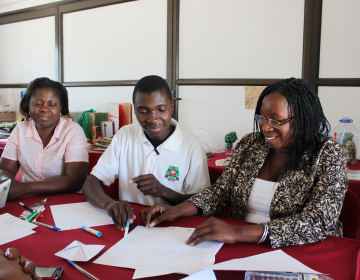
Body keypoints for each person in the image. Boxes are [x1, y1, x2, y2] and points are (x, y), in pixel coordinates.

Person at [140, 78, 348, 249]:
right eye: (262, 117)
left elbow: (317, 222)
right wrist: (178, 210)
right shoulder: (251, 144)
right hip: (241, 246)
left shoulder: (327, 154)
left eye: (277, 120)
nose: (266, 128)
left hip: (301, 250)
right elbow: (221, 192)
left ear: (302, 120)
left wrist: (238, 232)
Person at [83, 75, 210, 231]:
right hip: (131, 226)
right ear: (135, 109)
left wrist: (164, 191)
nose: (152, 119)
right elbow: (91, 183)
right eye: (143, 111)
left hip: (173, 228)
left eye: (161, 109)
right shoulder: (124, 135)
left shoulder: (191, 145)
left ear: (171, 106)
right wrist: (109, 204)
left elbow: (203, 201)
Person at [0, 77, 89, 201]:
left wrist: (26, 188)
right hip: (28, 199)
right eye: (37, 103)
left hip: (66, 199)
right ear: (28, 104)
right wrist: (8, 184)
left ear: (61, 107)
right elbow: (5, 169)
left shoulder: (73, 130)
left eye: (52, 104)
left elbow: (76, 180)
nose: (44, 109)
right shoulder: (20, 129)